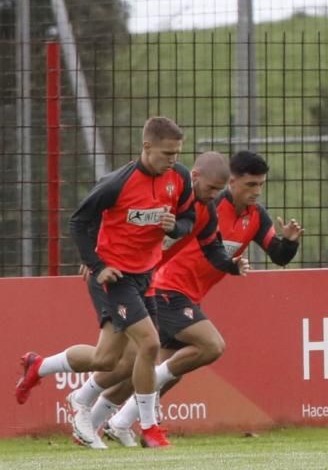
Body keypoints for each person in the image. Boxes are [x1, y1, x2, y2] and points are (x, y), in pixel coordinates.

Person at [14, 117, 196, 450]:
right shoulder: (116, 183)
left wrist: (175, 227)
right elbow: (79, 221)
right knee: (150, 345)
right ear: (147, 147)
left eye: (176, 153)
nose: (172, 160)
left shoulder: (179, 177)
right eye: (167, 153)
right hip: (114, 276)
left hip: (145, 275)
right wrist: (97, 266)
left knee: (110, 361)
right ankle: (149, 427)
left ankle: (40, 366)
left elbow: (189, 219)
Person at [99, 150, 303, 447]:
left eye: (261, 185)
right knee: (211, 345)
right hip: (167, 288)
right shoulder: (208, 204)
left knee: (160, 373)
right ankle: (113, 418)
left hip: (190, 296)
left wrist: (289, 242)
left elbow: (279, 255)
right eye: (250, 185)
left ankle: (105, 421)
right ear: (231, 182)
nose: (256, 191)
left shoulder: (256, 216)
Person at [68, 151, 250, 449]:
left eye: (220, 191)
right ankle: (141, 425)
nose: (215, 196)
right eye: (212, 189)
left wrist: (232, 265)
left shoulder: (202, 209)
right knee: (192, 347)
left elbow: (209, 246)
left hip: (147, 283)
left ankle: (104, 417)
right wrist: (95, 259)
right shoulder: (168, 189)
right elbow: (109, 207)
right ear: (194, 177)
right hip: (148, 284)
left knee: (124, 360)